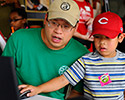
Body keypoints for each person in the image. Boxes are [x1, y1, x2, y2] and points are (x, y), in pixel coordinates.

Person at [18, 11, 125, 100]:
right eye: (97, 37)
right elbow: (63, 80)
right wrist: (38, 89)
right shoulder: (86, 60)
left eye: (107, 37)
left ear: (121, 37)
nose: (102, 42)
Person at [2, 0, 89, 100]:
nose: (58, 31)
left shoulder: (82, 54)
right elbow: (4, 77)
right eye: (54, 23)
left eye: (66, 26)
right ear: (45, 19)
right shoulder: (18, 39)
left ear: (75, 28)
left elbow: (77, 92)